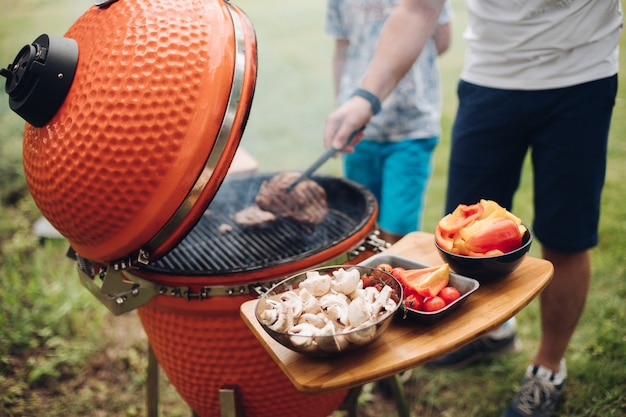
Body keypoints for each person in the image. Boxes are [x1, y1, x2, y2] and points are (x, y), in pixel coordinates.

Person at [322, 1, 623, 417]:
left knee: (567, 237)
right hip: (489, 83)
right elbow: (418, 8)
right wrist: (365, 98)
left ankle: (548, 367)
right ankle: (494, 334)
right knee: (461, 241)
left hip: (580, 81)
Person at [325, 0, 452, 245]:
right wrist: (343, 103)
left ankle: (394, 276)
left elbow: (441, 39)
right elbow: (341, 49)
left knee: (398, 229)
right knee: (361, 224)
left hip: (411, 130)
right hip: (359, 131)